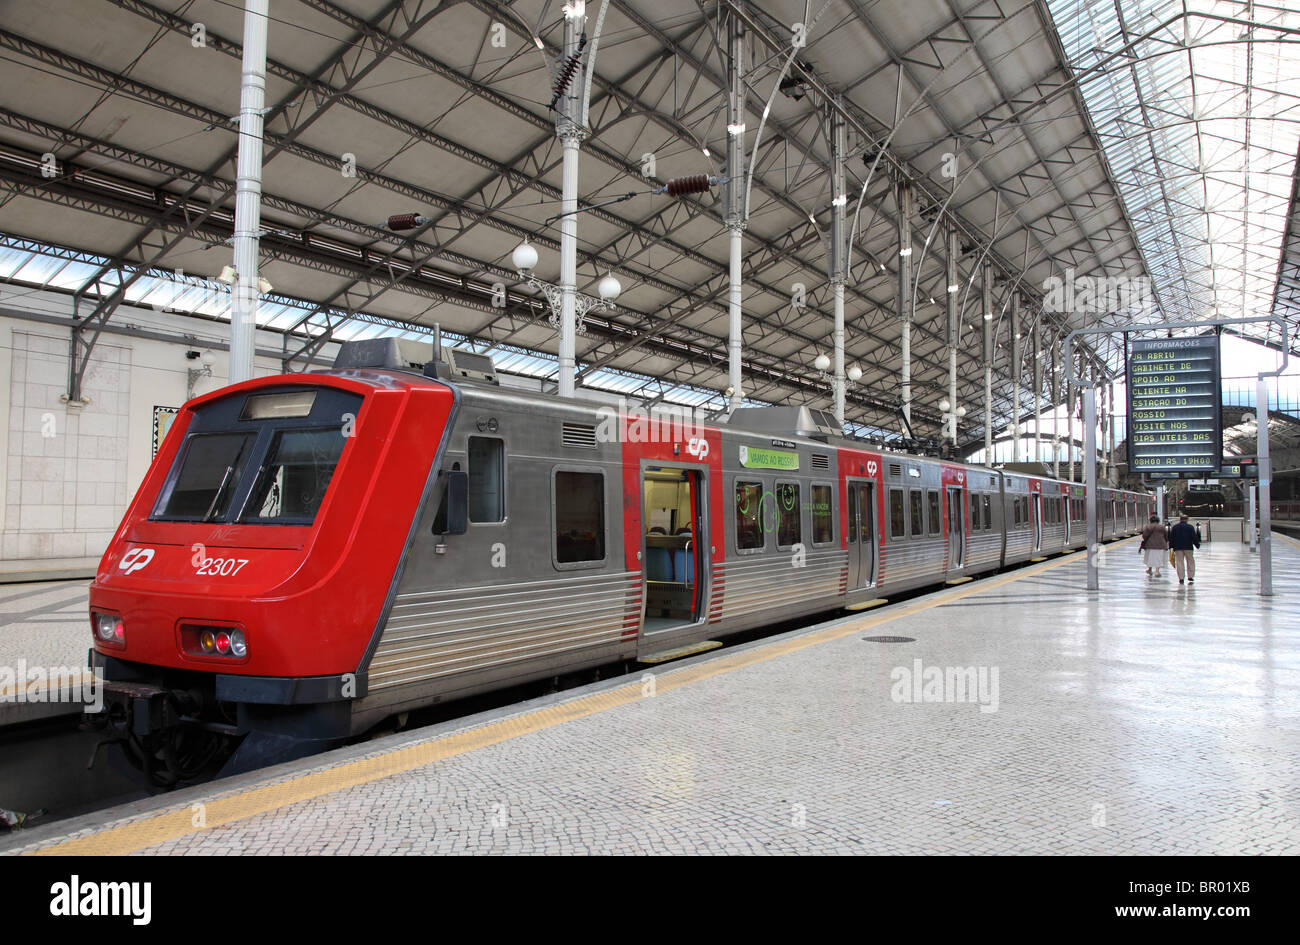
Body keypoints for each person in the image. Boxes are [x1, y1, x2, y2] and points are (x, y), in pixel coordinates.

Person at [1168, 512, 1201, 584]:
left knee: (1179, 562)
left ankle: (1181, 578)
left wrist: (1171, 547)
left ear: (1180, 519)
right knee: (1190, 561)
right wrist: (1197, 545)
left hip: (1178, 547)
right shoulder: (1190, 527)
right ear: (1187, 520)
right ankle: (1190, 576)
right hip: (1188, 547)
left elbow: (1171, 538)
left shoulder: (1175, 527)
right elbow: (1194, 537)